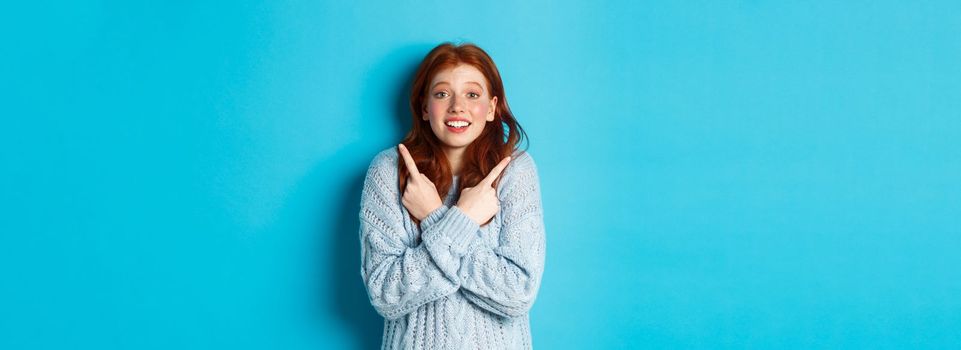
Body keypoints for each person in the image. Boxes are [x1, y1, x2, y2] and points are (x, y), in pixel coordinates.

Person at [358, 42, 547, 349]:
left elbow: (518, 293)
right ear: (423, 106)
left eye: (472, 94)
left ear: (491, 108)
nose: (457, 106)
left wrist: (434, 215)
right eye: (442, 93)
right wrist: (464, 219)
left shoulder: (515, 171)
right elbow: (385, 294)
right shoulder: (389, 170)